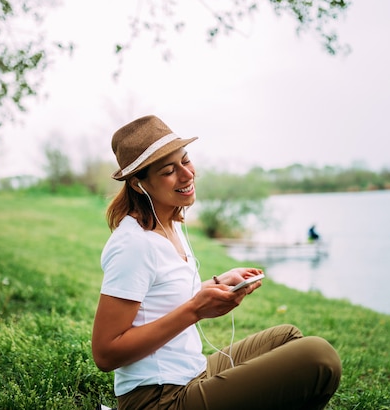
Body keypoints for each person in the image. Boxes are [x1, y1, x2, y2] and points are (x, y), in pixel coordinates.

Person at [92, 115, 342, 410]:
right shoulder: (134, 244)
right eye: (169, 171)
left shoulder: (168, 223)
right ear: (138, 184)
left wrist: (218, 284)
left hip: (192, 374)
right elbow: (105, 354)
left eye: (186, 161)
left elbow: (163, 296)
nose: (187, 175)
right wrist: (196, 310)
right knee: (319, 357)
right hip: (159, 398)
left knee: (288, 337)